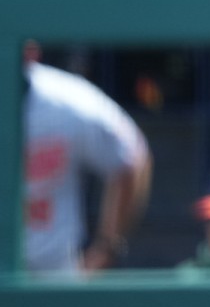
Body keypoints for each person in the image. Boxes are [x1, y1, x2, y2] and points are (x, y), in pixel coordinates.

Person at [23, 42, 153, 275]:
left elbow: (132, 155)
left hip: (52, 278)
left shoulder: (64, 101)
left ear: (30, 53)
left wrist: (106, 248)